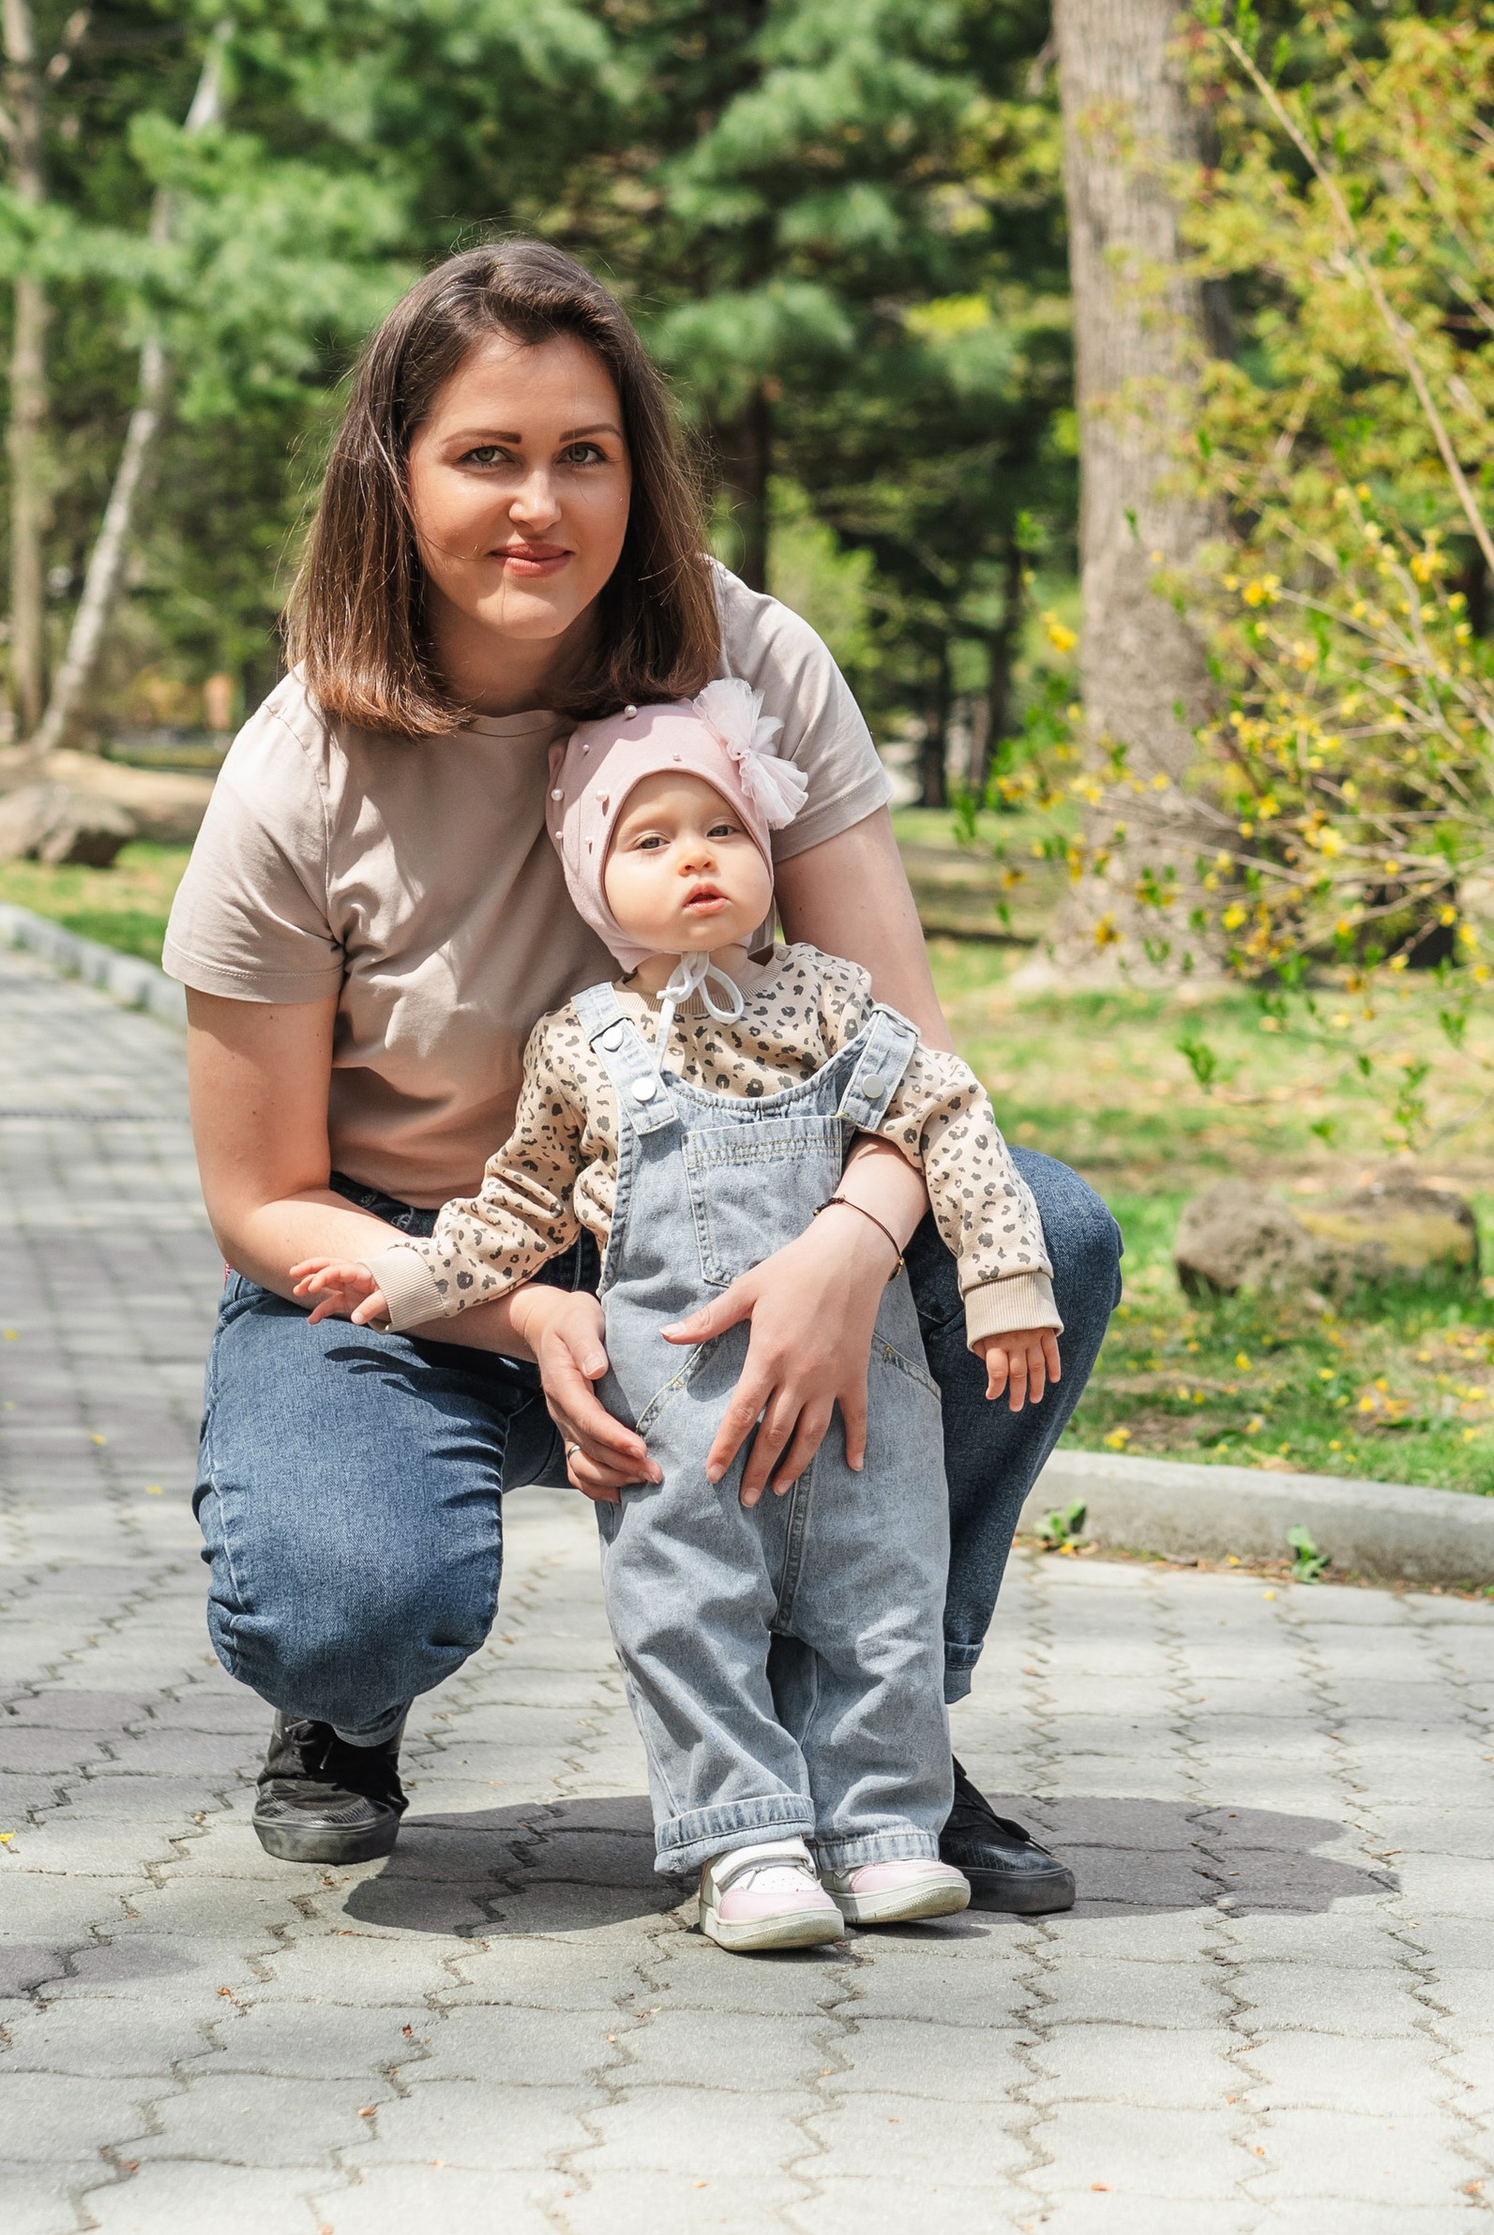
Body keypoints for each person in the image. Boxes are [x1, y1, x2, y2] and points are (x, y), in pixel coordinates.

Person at [167, 238, 1121, 1908]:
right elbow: (261, 1200)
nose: (539, 504)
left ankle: (868, 1728)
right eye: (486, 455)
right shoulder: (296, 772)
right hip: (421, 1271)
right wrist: (519, 1306)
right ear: (394, 479)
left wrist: (841, 1248)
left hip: (748, 1222)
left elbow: (916, 1064)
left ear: (639, 471)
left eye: (582, 455)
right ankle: (346, 1706)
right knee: (345, 1595)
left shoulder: (756, 662)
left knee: (1047, 1233)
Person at [285, 680, 1060, 1951]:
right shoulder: (587, 1044)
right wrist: (415, 1279)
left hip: (864, 1408)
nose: (696, 856)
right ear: (594, 888)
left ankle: (881, 1831)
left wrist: (1006, 1280)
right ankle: (746, 1842)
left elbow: (948, 1115)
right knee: (688, 1613)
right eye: (650, 840)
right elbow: (524, 1195)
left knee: (879, 1605)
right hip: (676, 1421)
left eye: (725, 830)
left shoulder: (830, 1004)